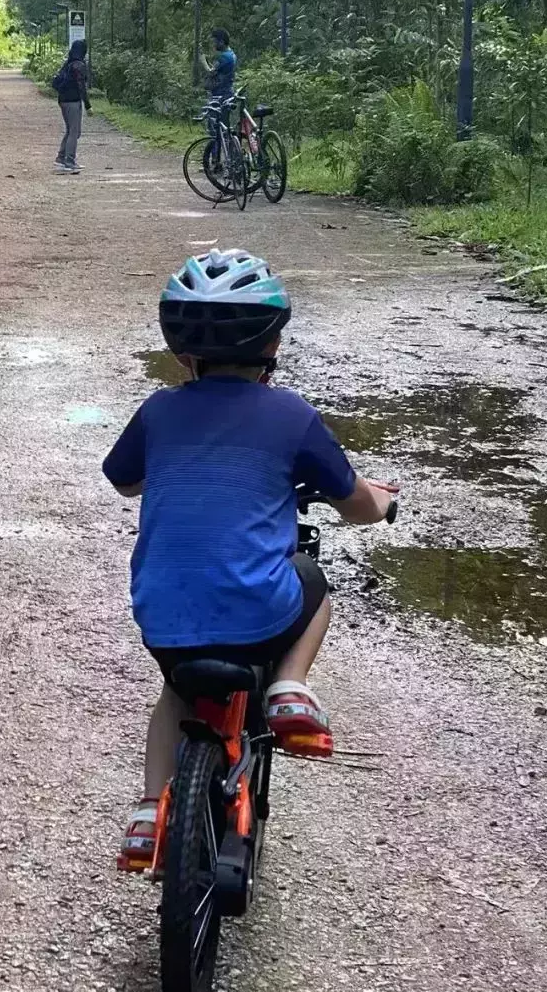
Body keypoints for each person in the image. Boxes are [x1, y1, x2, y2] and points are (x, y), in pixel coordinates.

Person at [102, 248, 397, 872]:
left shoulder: (158, 411)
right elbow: (358, 506)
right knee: (313, 581)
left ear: (183, 352)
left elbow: (124, 482)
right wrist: (382, 499)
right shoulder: (291, 414)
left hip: (162, 617)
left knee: (174, 694)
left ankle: (149, 813)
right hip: (258, 614)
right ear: (273, 345)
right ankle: (290, 683)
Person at [53, 38, 91, 174]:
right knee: (74, 131)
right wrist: (88, 105)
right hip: (73, 101)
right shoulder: (79, 65)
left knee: (71, 130)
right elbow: (81, 87)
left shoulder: (68, 63)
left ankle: (61, 158)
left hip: (63, 100)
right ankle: (69, 161)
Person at [199, 27, 237, 106]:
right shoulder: (231, 54)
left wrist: (203, 61)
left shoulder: (224, 57)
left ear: (221, 42)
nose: (213, 45)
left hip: (220, 94)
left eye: (215, 42)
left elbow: (211, 72)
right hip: (227, 91)